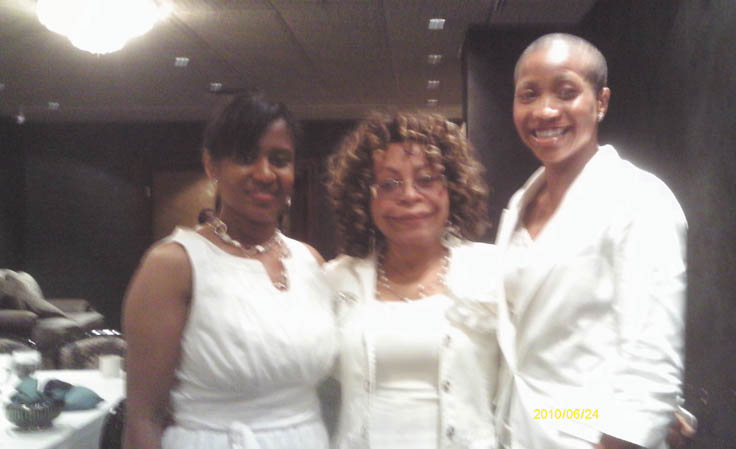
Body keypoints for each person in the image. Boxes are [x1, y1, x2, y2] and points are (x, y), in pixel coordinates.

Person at [494, 33, 688, 449]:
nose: (544, 111)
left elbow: (651, 361)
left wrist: (631, 429)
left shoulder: (639, 199)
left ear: (600, 102)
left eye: (566, 92)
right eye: (528, 94)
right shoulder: (518, 204)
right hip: (528, 426)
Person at [122, 93, 337, 449]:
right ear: (212, 166)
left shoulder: (310, 260)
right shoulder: (173, 265)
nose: (265, 173)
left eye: (280, 160)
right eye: (246, 157)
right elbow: (144, 416)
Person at [325, 112, 501, 449]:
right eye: (389, 184)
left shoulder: (492, 271)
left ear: (452, 189)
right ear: (365, 197)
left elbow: (540, 383)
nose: (408, 195)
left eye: (426, 179)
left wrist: (584, 424)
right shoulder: (337, 279)